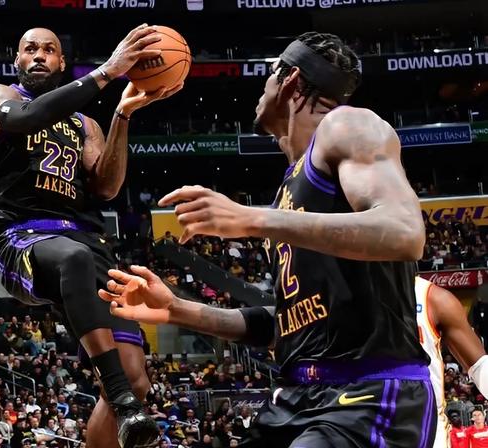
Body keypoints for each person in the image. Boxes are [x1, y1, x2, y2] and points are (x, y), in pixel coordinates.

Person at [99, 32, 436, 447]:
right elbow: (287, 323)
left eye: (269, 76)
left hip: (368, 393)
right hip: (297, 397)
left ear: (291, 81)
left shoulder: (348, 125)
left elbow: (405, 232)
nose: (262, 88)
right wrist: (175, 309)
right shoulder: (288, 188)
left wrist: (252, 218)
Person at [0, 25, 181, 448]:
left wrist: (121, 115)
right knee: (74, 261)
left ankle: (122, 399)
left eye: (49, 50)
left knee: (138, 378)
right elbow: (29, 118)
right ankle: (122, 401)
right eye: (30, 48)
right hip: (23, 238)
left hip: (87, 240)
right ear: (17, 59)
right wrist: (107, 71)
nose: (38, 55)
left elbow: (106, 187)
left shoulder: (85, 123)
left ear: (61, 63)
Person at [416, 277, 488, 448]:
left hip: (427, 432)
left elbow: (482, 369)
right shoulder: (343, 288)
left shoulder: (434, 299)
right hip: (357, 424)